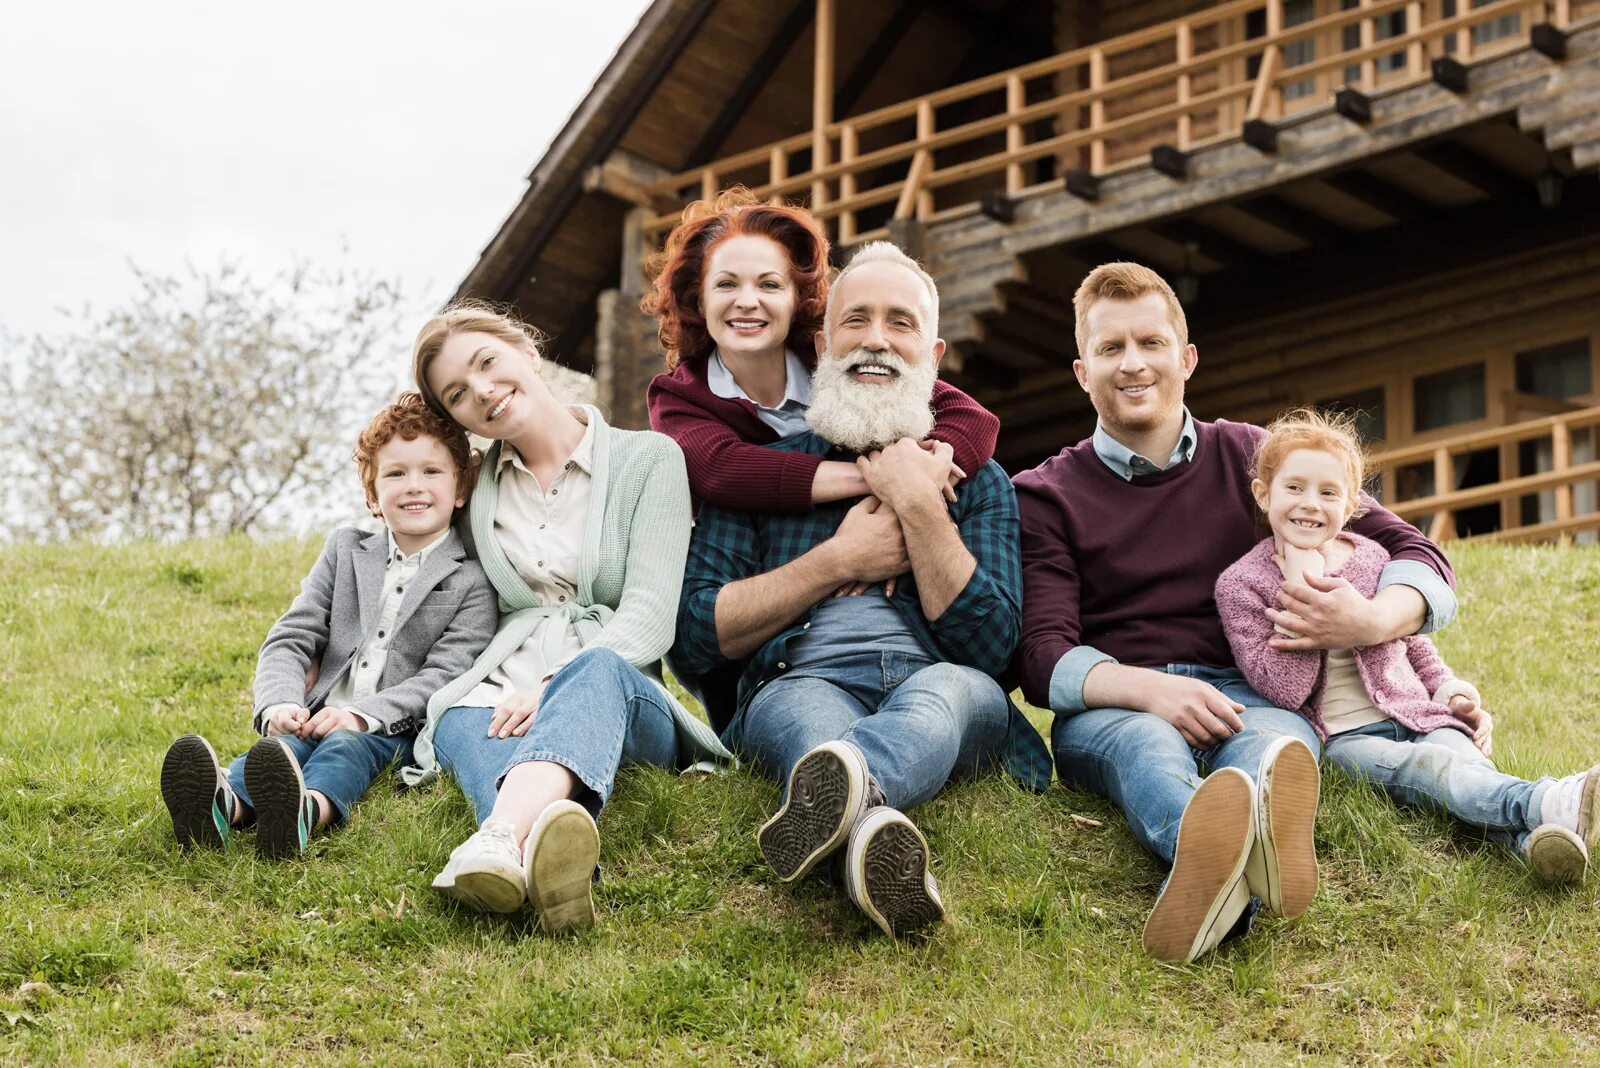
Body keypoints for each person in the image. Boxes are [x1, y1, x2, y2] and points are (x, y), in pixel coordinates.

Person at [1013, 262, 1459, 962]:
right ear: (1082, 371)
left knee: (1277, 749)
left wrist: (1376, 622)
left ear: (1186, 359)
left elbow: (1408, 547)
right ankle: (1218, 844)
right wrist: (1150, 689)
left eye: (1152, 343)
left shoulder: (1259, 459)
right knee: (1147, 751)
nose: (1134, 364)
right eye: (1110, 349)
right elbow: (1040, 655)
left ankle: (1224, 883)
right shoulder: (1043, 494)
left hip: (1254, 693)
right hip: (1119, 705)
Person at [674, 242, 1051, 939]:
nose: (876, 340)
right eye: (856, 321)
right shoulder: (760, 476)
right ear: (822, 343)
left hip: (945, 681)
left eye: (900, 323)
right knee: (805, 718)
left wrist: (918, 507)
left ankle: (847, 799)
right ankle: (872, 829)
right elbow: (697, 638)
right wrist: (838, 558)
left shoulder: (980, 480)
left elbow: (995, 652)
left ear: (932, 355)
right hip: (800, 677)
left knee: (944, 696)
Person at [408, 301, 729, 934]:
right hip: (505, 681)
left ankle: (500, 837)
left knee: (600, 671)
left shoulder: (650, 460)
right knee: (455, 716)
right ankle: (544, 865)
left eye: (487, 363)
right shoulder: (473, 494)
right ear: (457, 418)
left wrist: (556, 685)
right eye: (458, 393)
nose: (483, 391)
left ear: (528, 352)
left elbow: (649, 615)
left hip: (615, 686)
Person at [1216, 408, 1600, 883]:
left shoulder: (1374, 557)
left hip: (1415, 714)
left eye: (1328, 492)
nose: (1310, 504)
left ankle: (1531, 846)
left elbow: (1411, 645)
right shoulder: (1242, 585)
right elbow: (1286, 692)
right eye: (1294, 488)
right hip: (1343, 741)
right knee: (1430, 769)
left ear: (1353, 504)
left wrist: (1449, 690)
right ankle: (1547, 801)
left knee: (1461, 759)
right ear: (1263, 493)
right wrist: (1302, 585)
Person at [160, 393, 498, 859]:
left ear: (460, 489)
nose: (414, 485)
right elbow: (292, 635)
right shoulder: (345, 550)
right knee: (281, 750)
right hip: (316, 712)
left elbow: (445, 674)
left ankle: (307, 812)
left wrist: (361, 715)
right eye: (396, 474)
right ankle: (225, 806)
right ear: (372, 495)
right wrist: (280, 702)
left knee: (345, 748)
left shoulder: (472, 579)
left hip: (389, 729)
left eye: (431, 471)